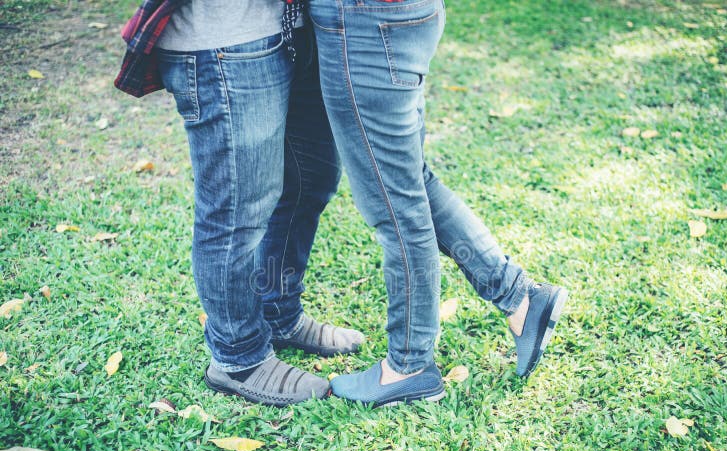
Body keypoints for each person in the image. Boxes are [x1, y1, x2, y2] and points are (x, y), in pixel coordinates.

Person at [306, 0, 569, 406]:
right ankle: (520, 297)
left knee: (395, 205)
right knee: (410, 182)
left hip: (363, 23)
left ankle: (408, 367)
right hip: (399, 17)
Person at [115, 0, 364, 406]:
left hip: (298, 26)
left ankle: (278, 314)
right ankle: (238, 357)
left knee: (310, 178)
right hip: (223, 38)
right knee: (235, 210)